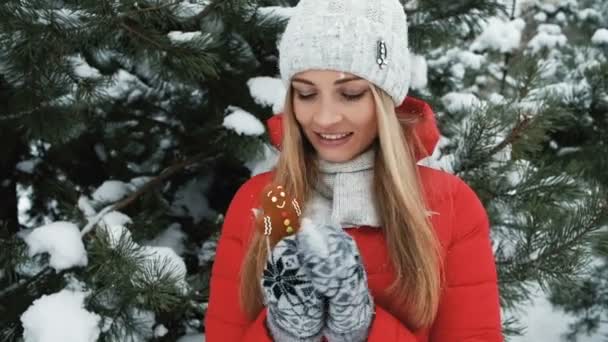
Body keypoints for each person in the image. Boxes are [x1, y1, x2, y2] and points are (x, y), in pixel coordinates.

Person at [204, 0, 503, 341]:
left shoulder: (450, 204)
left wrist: (363, 327)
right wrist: (282, 331)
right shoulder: (256, 201)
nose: (324, 118)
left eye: (350, 94)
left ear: (385, 99)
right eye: (306, 94)